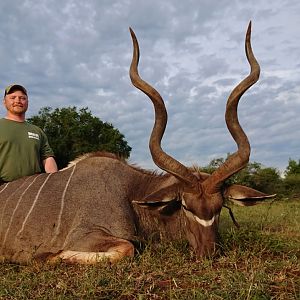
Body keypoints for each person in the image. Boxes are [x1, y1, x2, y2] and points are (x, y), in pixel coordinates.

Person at [0, 84, 58, 182]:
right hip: (4, 189)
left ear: (27, 102)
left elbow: (47, 158)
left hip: (32, 189)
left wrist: (55, 180)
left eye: (22, 98)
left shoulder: (37, 131)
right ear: (4, 102)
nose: (18, 101)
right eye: (13, 97)